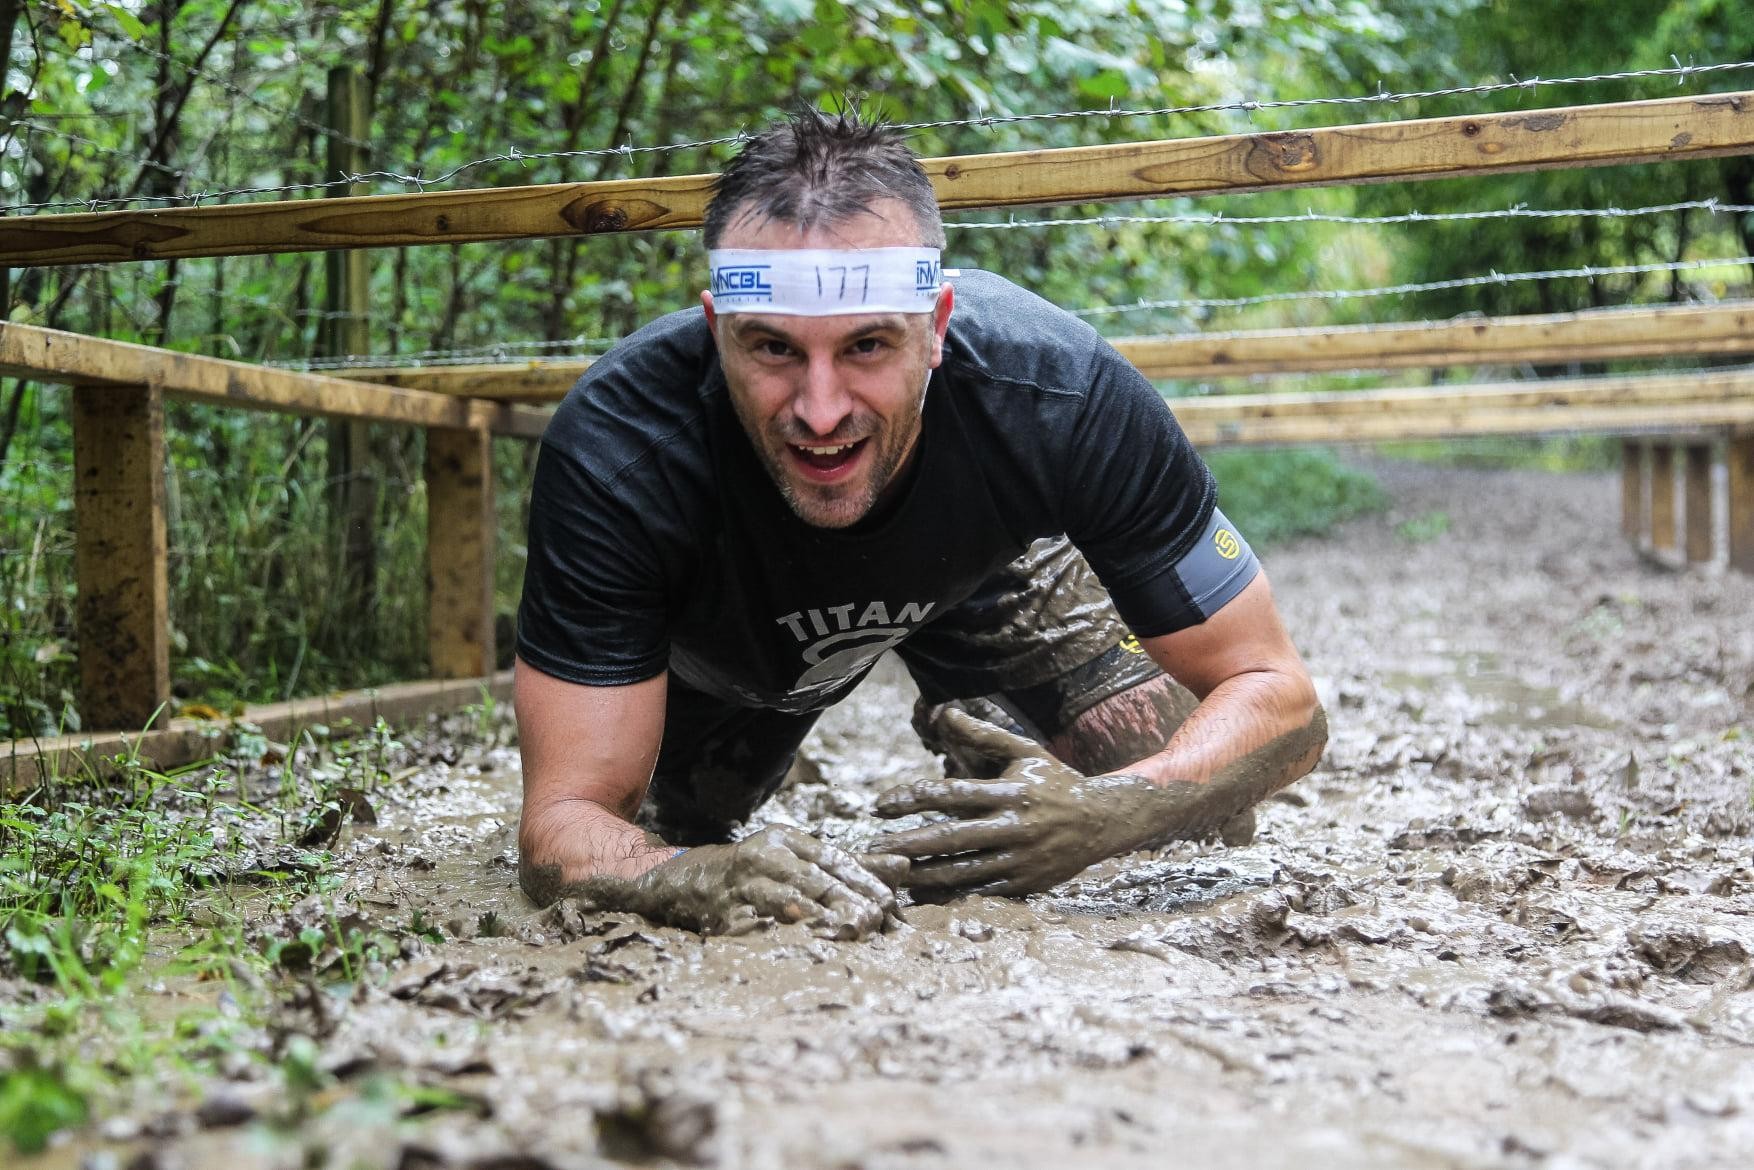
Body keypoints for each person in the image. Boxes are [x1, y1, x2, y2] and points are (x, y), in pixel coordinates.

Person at [514, 108, 1326, 940]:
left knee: (1181, 792)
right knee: (677, 843)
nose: (821, 411)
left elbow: (1283, 702)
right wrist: (695, 872)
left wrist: (1103, 816)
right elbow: (558, 831)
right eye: (773, 350)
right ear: (717, 329)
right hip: (725, 650)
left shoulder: (1060, 393)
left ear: (936, 327)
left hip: (982, 574)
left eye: (867, 346)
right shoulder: (618, 450)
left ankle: (1003, 746)